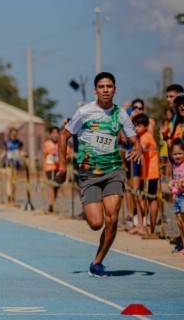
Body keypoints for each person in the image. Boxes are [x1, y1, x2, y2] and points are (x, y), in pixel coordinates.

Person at [56, 72, 142, 278]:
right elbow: (63, 136)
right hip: (88, 173)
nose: (105, 90)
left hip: (113, 171)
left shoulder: (121, 114)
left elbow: (133, 139)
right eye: (102, 86)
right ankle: (96, 245)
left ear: (115, 90)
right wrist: (62, 166)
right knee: (96, 224)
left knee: (112, 220)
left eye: (109, 86)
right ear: (96, 90)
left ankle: (97, 262)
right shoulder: (84, 112)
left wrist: (137, 148)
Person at [130, 114, 159, 239]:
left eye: (139, 126)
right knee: (143, 197)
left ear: (146, 126)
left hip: (151, 172)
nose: (136, 128)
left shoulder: (146, 136)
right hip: (145, 172)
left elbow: (143, 146)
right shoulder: (141, 136)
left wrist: (138, 149)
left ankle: (151, 229)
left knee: (151, 199)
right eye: (135, 126)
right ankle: (144, 226)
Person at [43, 126, 70, 213]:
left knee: (57, 187)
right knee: (51, 185)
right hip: (50, 167)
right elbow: (45, 153)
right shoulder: (47, 143)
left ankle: (53, 203)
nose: (55, 135)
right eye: (53, 133)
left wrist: (62, 158)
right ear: (50, 134)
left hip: (59, 168)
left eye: (56, 133)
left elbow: (69, 153)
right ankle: (51, 205)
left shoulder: (62, 142)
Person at [0, 127, 25, 203]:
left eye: (15, 134)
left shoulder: (18, 142)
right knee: (9, 179)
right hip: (8, 163)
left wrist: (24, 155)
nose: (14, 135)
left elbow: (21, 151)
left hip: (16, 163)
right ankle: (9, 195)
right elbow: (4, 151)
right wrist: (0, 157)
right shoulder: (7, 142)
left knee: (14, 180)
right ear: (10, 134)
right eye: (12, 134)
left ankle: (13, 195)